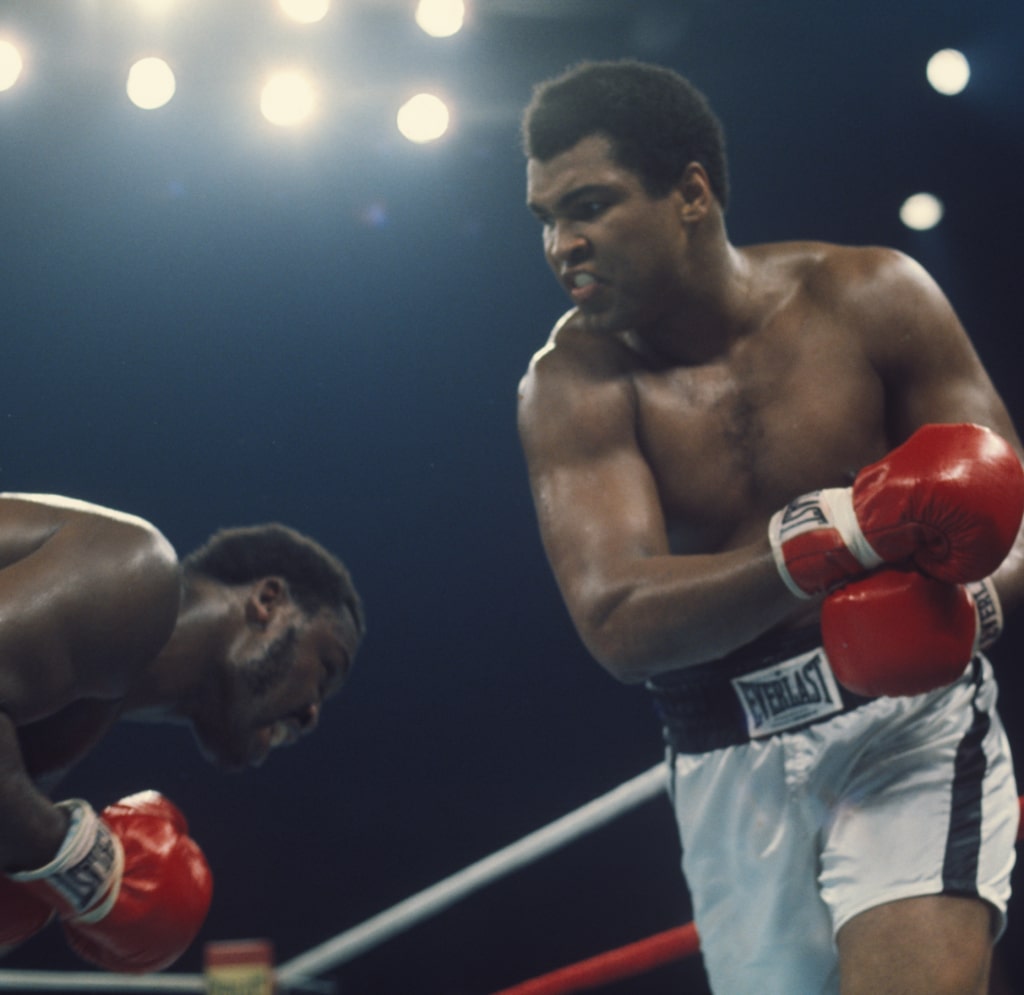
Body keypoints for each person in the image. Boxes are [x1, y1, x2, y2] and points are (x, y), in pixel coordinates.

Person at [516, 59, 1024, 995]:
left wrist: (970, 609)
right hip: (724, 754)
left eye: (589, 204)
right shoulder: (570, 386)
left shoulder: (873, 296)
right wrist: (817, 545)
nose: (563, 244)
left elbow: (1007, 506)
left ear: (691, 194)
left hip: (904, 729)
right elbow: (618, 621)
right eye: (546, 217)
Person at [0, 492, 365, 973]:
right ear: (268, 601)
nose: (313, 713)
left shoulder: (75, 718)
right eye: (325, 669)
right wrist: (78, 863)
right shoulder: (133, 567)